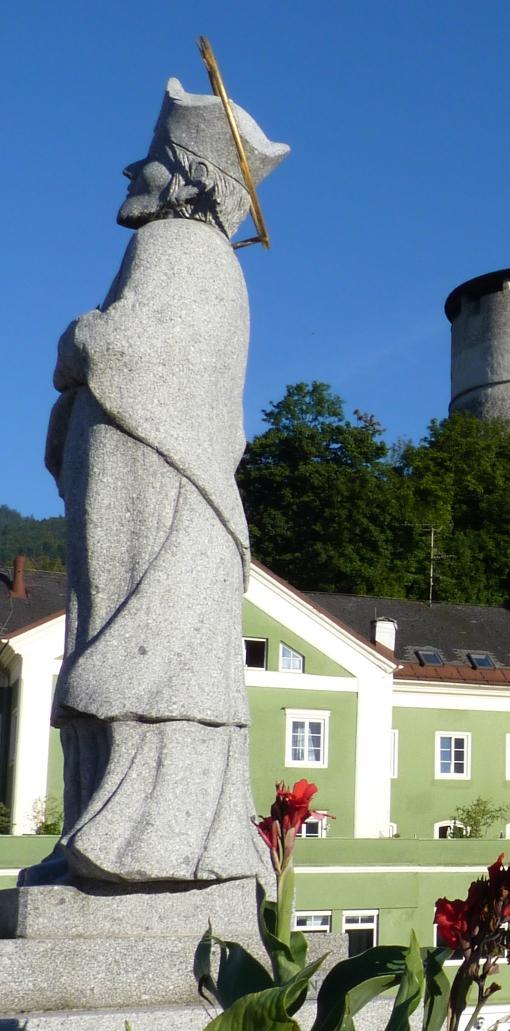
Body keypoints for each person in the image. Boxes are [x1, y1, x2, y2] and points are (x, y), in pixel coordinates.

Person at [30, 78, 286, 887]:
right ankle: (114, 836)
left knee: (140, 644)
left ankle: (142, 842)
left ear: (187, 175)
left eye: (149, 160)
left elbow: (124, 348)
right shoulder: (203, 259)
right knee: (134, 638)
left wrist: (79, 336)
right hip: (147, 475)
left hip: (158, 482)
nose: (128, 174)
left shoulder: (174, 248)